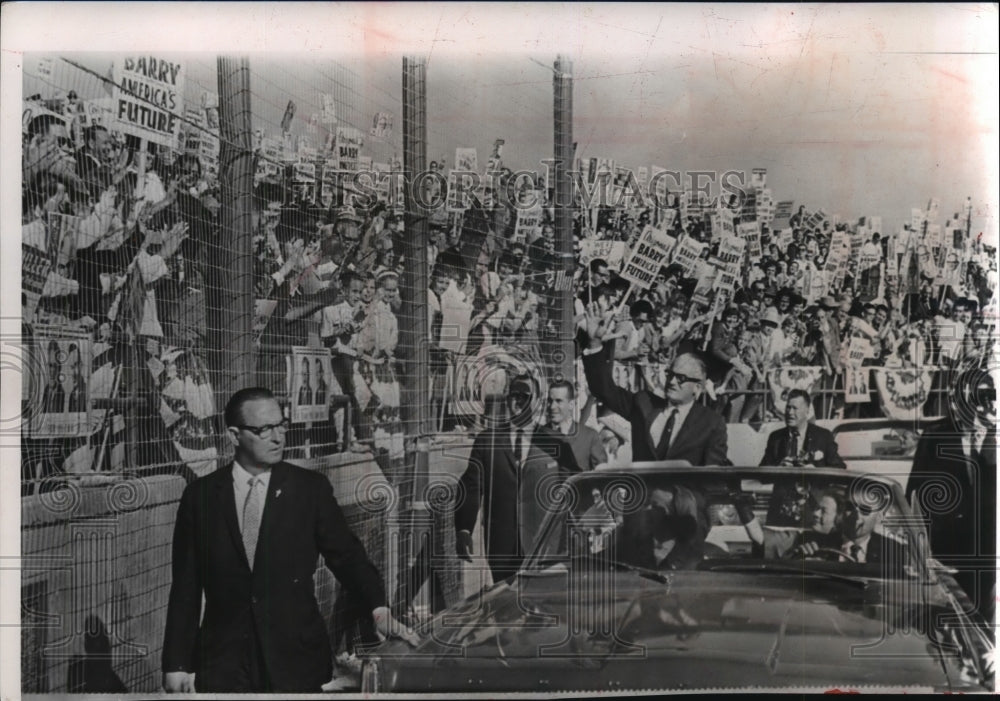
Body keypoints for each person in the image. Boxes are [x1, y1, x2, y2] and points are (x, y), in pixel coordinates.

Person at [162, 387, 416, 693]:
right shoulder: (200, 498)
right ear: (233, 435)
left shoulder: (309, 490)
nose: (278, 437)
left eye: (281, 425)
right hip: (225, 664)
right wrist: (176, 664)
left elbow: (348, 557)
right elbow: (186, 587)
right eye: (264, 429)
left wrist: (378, 609)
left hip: (298, 661)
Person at [455, 376, 579, 583]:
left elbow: (572, 487)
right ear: (507, 399)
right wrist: (464, 528)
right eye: (514, 395)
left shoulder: (556, 442)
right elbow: (471, 488)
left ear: (537, 400)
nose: (519, 401)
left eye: (525, 396)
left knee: (543, 608)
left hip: (545, 546)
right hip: (502, 547)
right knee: (505, 608)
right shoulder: (487, 441)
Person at [581, 303, 729, 466]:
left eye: (681, 379)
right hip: (644, 490)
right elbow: (602, 389)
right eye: (670, 374)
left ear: (698, 388)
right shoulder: (644, 403)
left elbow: (712, 477)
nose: (671, 382)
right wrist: (594, 343)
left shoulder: (712, 423)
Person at [907, 362, 996, 622]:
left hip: (989, 558)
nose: (981, 403)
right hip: (946, 555)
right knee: (946, 628)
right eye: (975, 396)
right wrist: (921, 553)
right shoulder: (935, 436)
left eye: (988, 394)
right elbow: (914, 496)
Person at [760, 389, 846, 468]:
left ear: (807, 411)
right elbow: (762, 472)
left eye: (795, 408)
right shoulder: (775, 437)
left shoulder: (823, 436)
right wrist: (778, 469)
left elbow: (840, 468)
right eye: (788, 407)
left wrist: (816, 471)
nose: (790, 413)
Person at [543, 379, 607, 471]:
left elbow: (601, 476)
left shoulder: (589, 437)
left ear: (571, 404)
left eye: (559, 401)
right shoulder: (539, 436)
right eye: (550, 401)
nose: (552, 406)